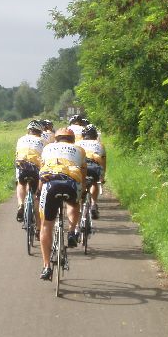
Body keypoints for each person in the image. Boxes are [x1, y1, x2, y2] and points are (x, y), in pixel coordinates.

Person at [38, 127, 86, 280]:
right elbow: (83, 175)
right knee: (73, 203)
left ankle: (46, 267)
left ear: (56, 139)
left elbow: (42, 171)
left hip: (51, 185)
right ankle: (72, 231)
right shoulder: (79, 149)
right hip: (71, 183)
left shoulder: (47, 148)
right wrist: (82, 192)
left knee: (46, 225)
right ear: (72, 140)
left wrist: (39, 192)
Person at [15, 120, 45, 227]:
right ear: (40, 132)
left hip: (22, 165)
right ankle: (38, 228)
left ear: (28, 130)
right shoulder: (42, 141)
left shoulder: (21, 139)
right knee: (37, 197)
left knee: (21, 183)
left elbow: (17, 154)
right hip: (35, 168)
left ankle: (21, 205)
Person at [77, 124, 106, 219]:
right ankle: (93, 203)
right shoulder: (99, 144)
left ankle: (81, 209)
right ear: (95, 135)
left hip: (81, 167)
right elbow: (103, 162)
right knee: (94, 183)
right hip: (94, 167)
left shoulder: (78, 144)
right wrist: (102, 177)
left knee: (81, 184)